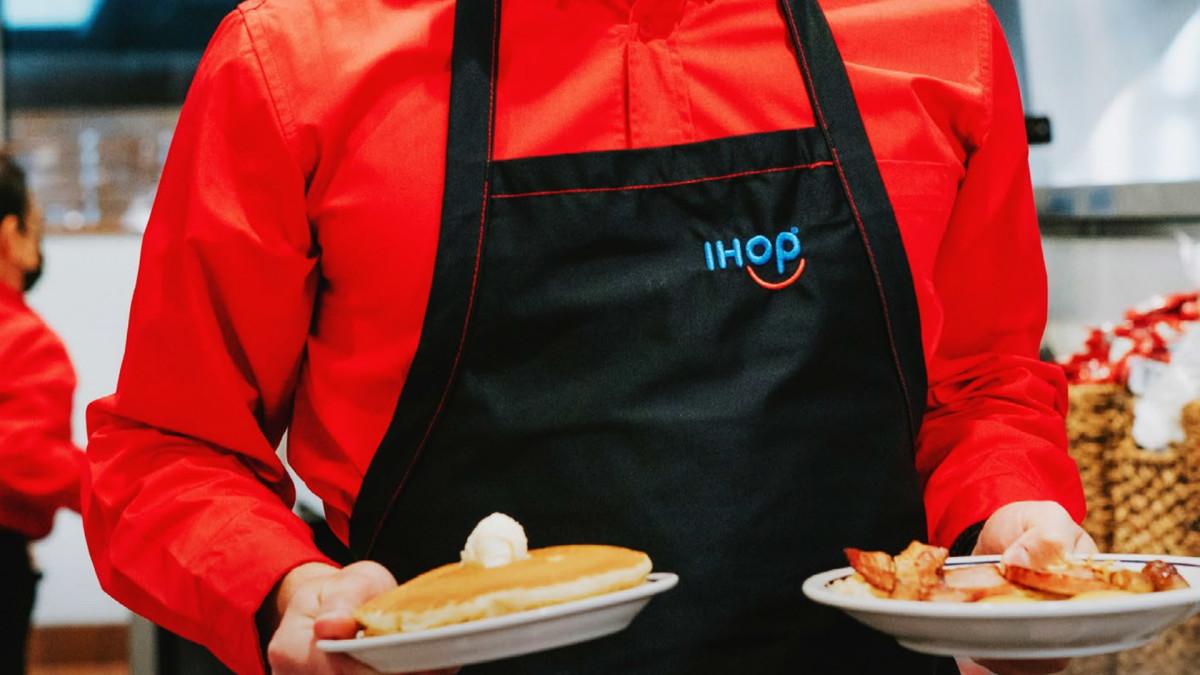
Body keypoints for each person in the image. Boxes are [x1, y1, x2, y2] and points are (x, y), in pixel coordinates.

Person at [84, 1, 1092, 673]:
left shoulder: (936, 36)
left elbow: (981, 387)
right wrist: (292, 588)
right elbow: (168, 448)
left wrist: (1007, 519)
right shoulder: (297, 60)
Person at [0, 153, 86, 674]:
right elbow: (22, 453)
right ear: (10, 236)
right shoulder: (25, 339)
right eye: (37, 226)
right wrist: (110, 485)